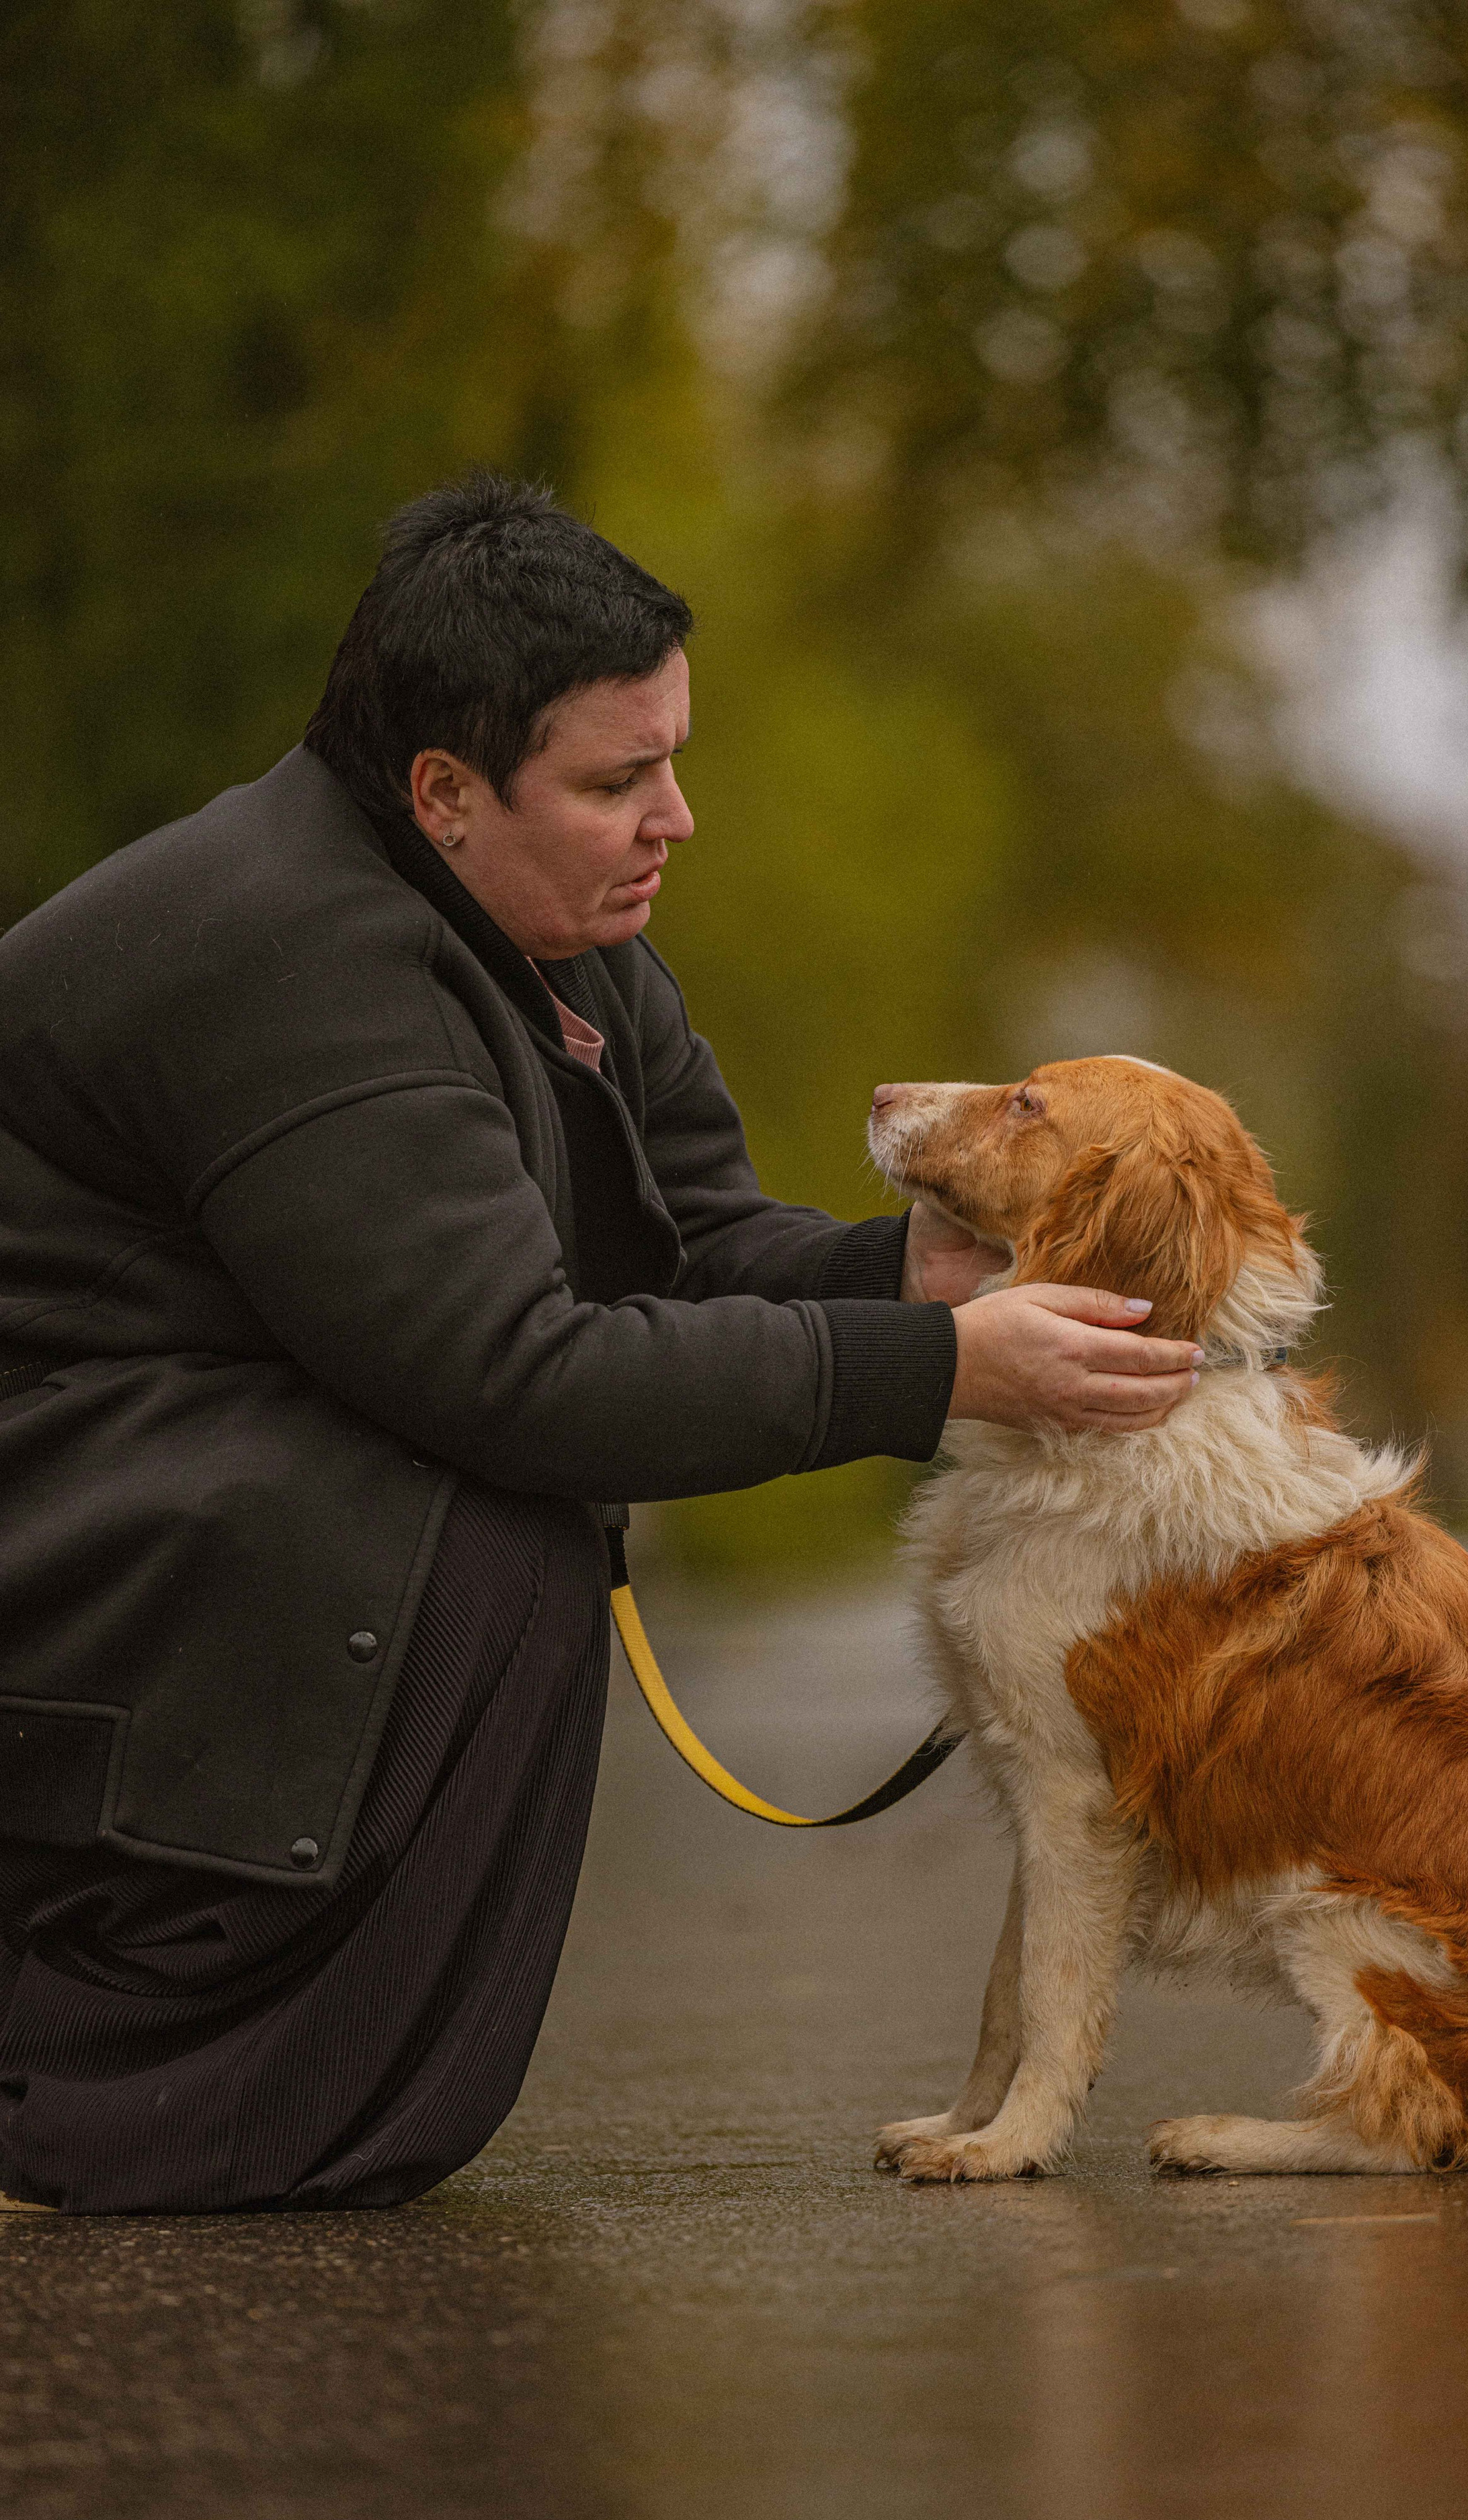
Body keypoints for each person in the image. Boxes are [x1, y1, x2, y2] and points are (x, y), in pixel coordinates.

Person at [0, 474, 1198, 2214]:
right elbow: (516, 1377)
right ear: (443, 792)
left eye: (675, 760)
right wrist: (939, 1376)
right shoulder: (302, 961)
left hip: (171, 1474)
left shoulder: (552, 932)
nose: (676, 820)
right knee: (488, 1520)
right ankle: (95, 2091)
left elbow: (700, 1239)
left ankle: (258, 2108)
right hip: (60, 1497)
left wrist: (912, 1279)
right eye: (618, 780)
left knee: (496, 1516)